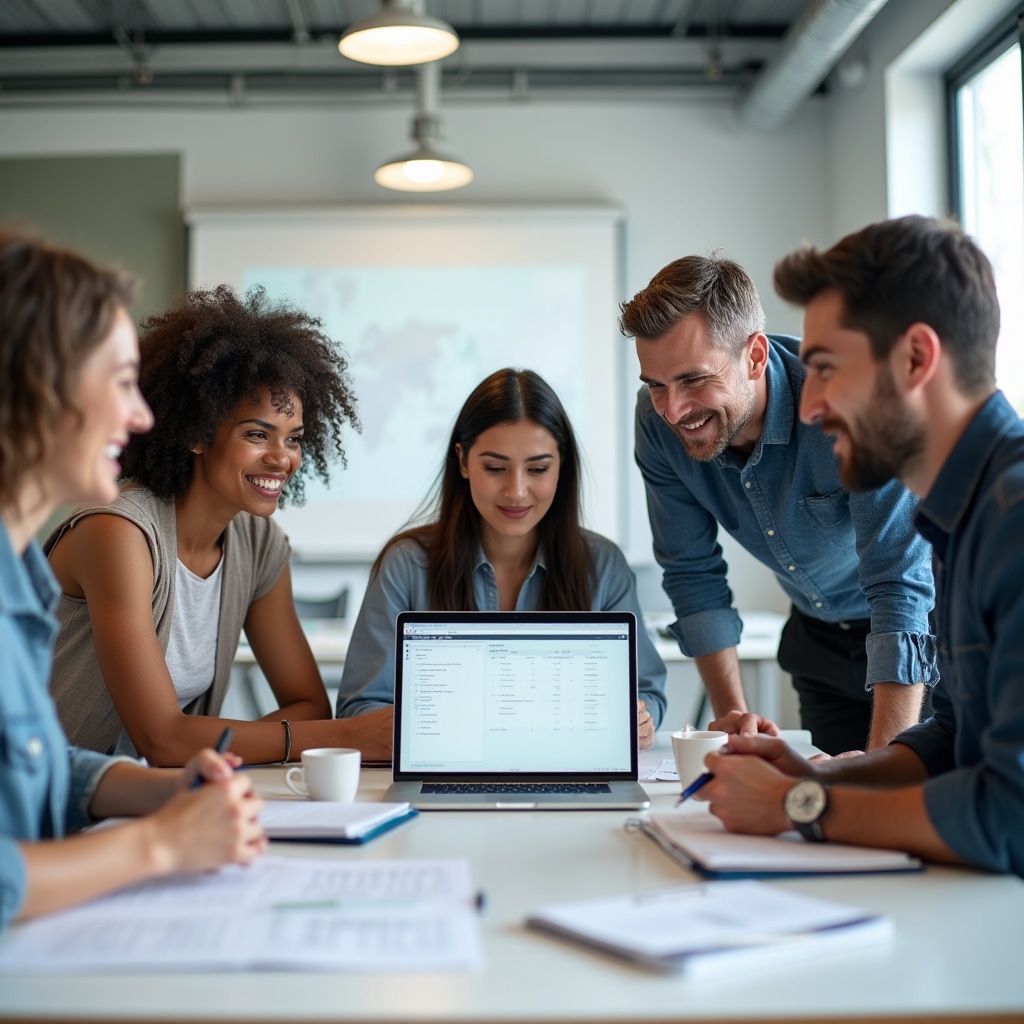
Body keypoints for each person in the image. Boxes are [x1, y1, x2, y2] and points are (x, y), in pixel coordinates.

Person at [696, 215, 1024, 876]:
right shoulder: (963, 516)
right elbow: (954, 739)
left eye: (824, 369)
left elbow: (1011, 816)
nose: (810, 405)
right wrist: (821, 777)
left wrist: (801, 806)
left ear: (915, 359)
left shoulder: (1013, 519)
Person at [0, 231, 265, 931]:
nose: (143, 417)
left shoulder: (19, 573)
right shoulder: (107, 534)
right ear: (38, 386)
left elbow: (34, 766)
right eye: (121, 384)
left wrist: (169, 789)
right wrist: (162, 842)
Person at [46, 285, 393, 766]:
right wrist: (343, 737)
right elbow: (163, 739)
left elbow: (309, 703)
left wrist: (208, 739)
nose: (282, 459)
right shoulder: (118, 534)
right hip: (46, 808)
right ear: (194, 433)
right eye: (257, 435)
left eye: (294, 439)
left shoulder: (258, 544)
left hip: (150, 799)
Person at [620, 254, 937, 755]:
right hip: (819, 642)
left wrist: (882, 774)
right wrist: (732, 712)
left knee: (907, 811)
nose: (674, 410)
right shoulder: (656, 425)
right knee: (824, 816)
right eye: (656, 385)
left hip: (923, 638)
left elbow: (899, 584)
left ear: (755, 356)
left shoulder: (854, 406)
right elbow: (691, 570)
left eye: (693, 379)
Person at [335, 368, 667, 748]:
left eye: (538, 469)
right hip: (444, 771)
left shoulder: (603, 566)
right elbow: (359, 708)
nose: (517, 491)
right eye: (495, 469)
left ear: (562, 466)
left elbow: (647, 694)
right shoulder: (406, 566)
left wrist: (639, 718)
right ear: (462, 462)